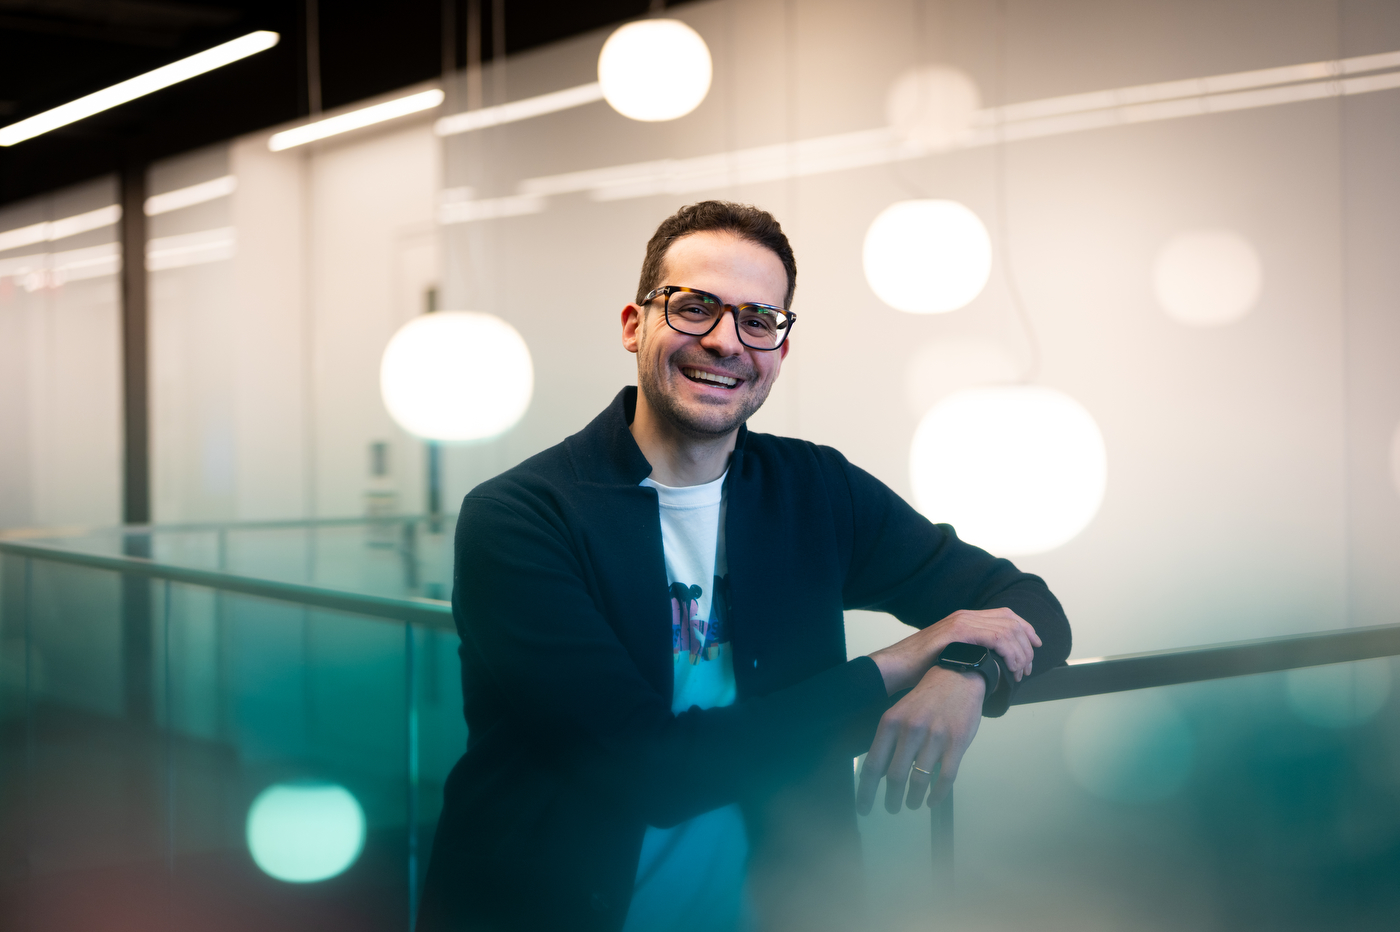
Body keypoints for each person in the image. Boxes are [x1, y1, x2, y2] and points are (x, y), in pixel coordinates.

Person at [417, 201, 1071, 932]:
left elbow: (1028, 605)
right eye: (695, 308)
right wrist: (903, 660)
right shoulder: (522, 517)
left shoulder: (814, 490)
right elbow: (647, 771)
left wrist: (964, 669)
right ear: (635, 325)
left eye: (758, 321)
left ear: (780, 352)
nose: (726, 341)